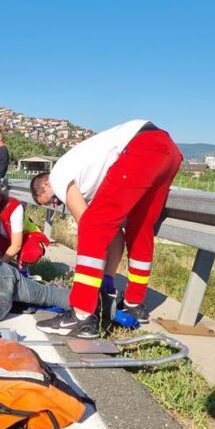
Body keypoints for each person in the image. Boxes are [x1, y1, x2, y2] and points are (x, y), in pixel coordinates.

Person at [30, 120, 183, 338]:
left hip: (142, 147)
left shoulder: (58, 177)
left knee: (91, 226)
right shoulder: (87, 180)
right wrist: (107, 279)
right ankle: (134, 304)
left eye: (49, 201)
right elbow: (114, 233)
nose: (55, 205)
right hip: (169, 151)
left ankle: (81, 315)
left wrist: (104, 278)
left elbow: (91, 228)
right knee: (140, 228)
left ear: (45, 185)